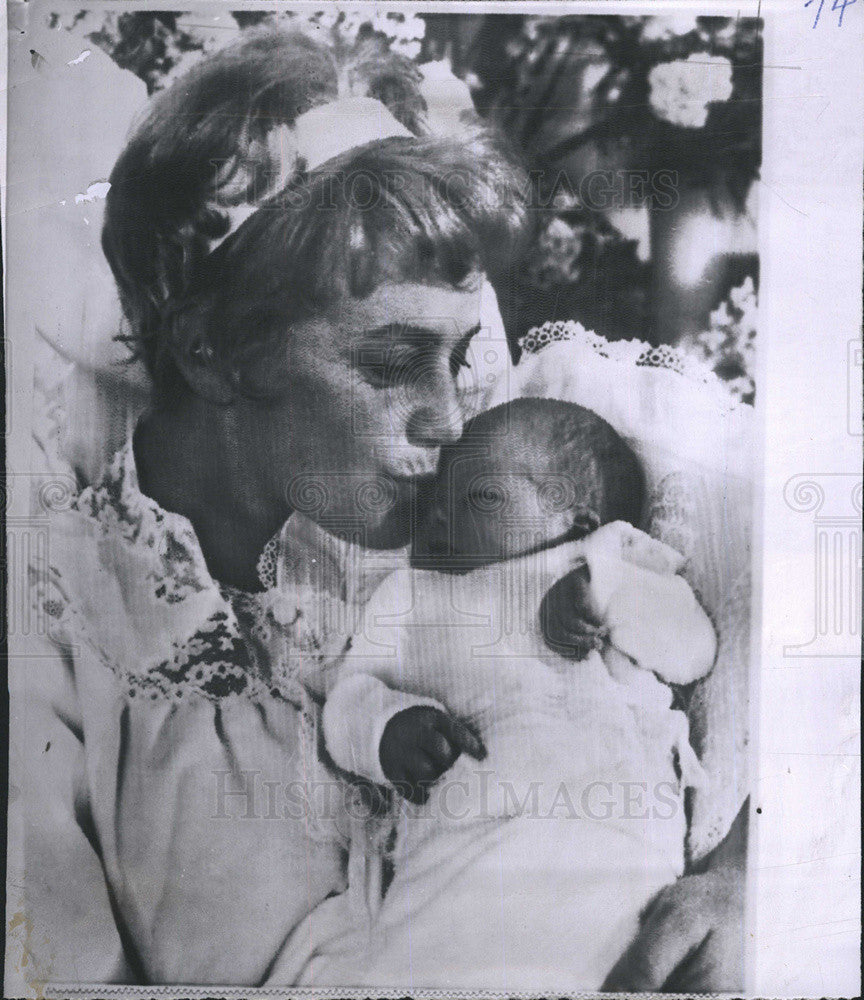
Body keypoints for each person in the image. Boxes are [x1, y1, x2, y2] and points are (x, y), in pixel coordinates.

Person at [15, 26, 747, 993]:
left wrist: (752, 879)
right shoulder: (61, 633)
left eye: (456, 356)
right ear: (209, 353)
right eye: (393, 362)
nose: (450, 419)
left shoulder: (523, 449)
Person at [267, 398, 716, 990]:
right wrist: (386, 729)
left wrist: (603, 593)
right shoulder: (409, 597)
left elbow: (692, 652)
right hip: (459, 852)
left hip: (617, 845)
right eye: (433, 504)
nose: (441, 520)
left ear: (577, 524)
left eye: (480, 498)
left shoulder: (611, 561)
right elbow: (349, 698)